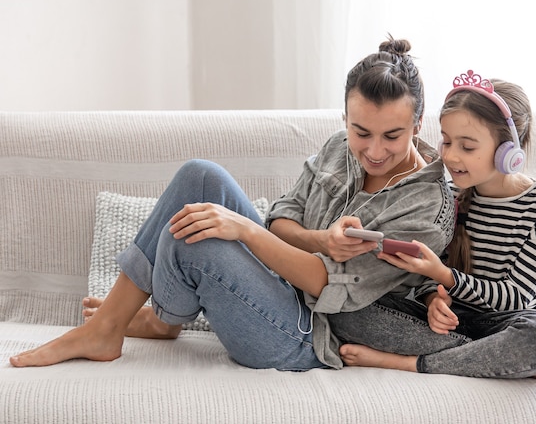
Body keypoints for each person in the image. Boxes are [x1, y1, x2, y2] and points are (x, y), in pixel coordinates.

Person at [9, 37, 455, 371]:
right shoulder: (339, 147)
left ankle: (157, 320)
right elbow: (282, 220)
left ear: (418, 123)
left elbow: (328, 285)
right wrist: (320, 238)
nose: (374, 150)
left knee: (199, 240)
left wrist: (243, 229)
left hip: (308, 334)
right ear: (345, 118)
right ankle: (116, 327)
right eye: (362, 131)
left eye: (392, 136)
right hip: (278, 288)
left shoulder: (427, 208)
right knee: (200, 176)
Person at [329, 70, 536, 380]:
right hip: (453, 322)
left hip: (509, 321)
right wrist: (433, 298)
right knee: (347, 306)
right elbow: (435, 271)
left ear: (508, 151)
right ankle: (499, 361)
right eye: (446, 141)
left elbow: (515, 297)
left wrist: (441, 276)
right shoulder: (449, 194)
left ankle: (409, 362)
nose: (450, 156)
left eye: (467, 147)